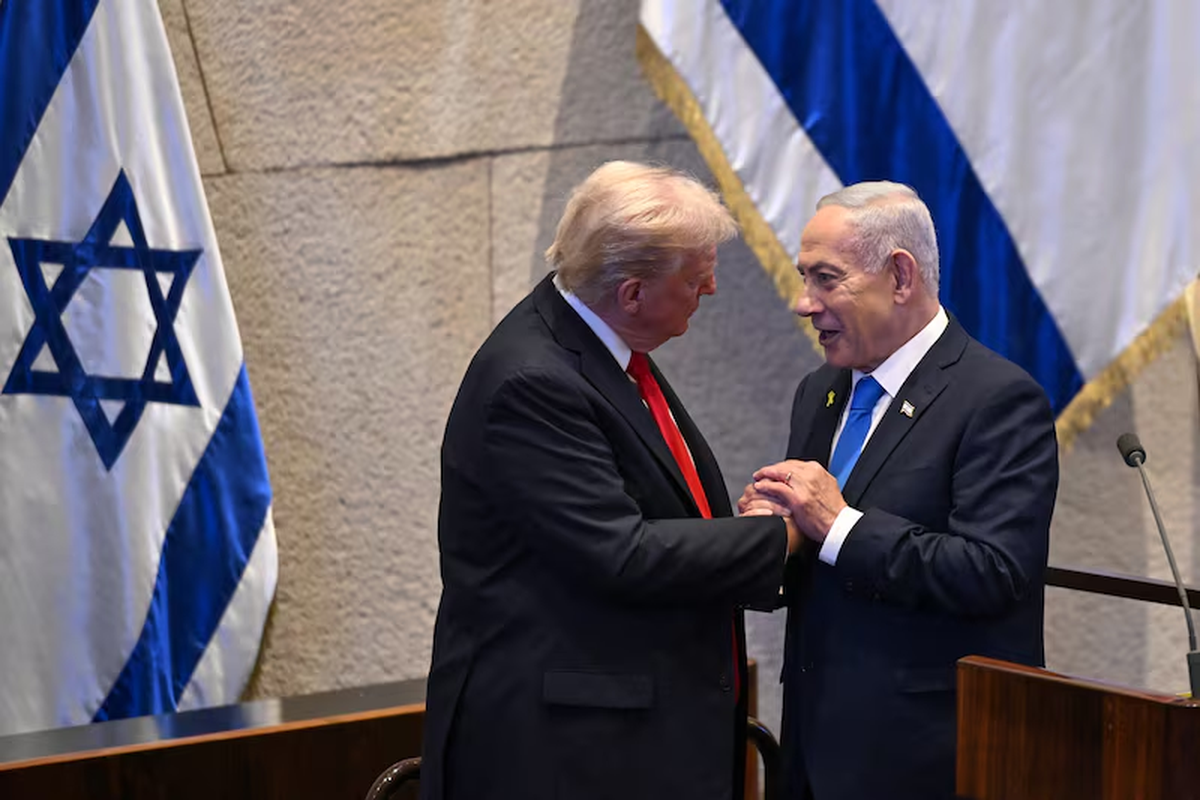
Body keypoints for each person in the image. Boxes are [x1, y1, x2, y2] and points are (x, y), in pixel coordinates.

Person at [421, 161, 796, 800]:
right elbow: (622, 553)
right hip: (566, 755)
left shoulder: (600, 345)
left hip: (628, 737)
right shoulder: (531, 382)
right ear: (631, 293)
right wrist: (781, 535)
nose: (709, 286)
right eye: (694, 275)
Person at [739, 182, 1058, 800]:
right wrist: (777, 536)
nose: (804, 304)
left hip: (927, 757)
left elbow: (992, 572)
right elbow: (821, 562)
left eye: (826, 279)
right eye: (804, 278)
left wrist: (836, 526)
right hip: (812, 746)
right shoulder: (820, 390)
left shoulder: (997, 399)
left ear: (901, 276)